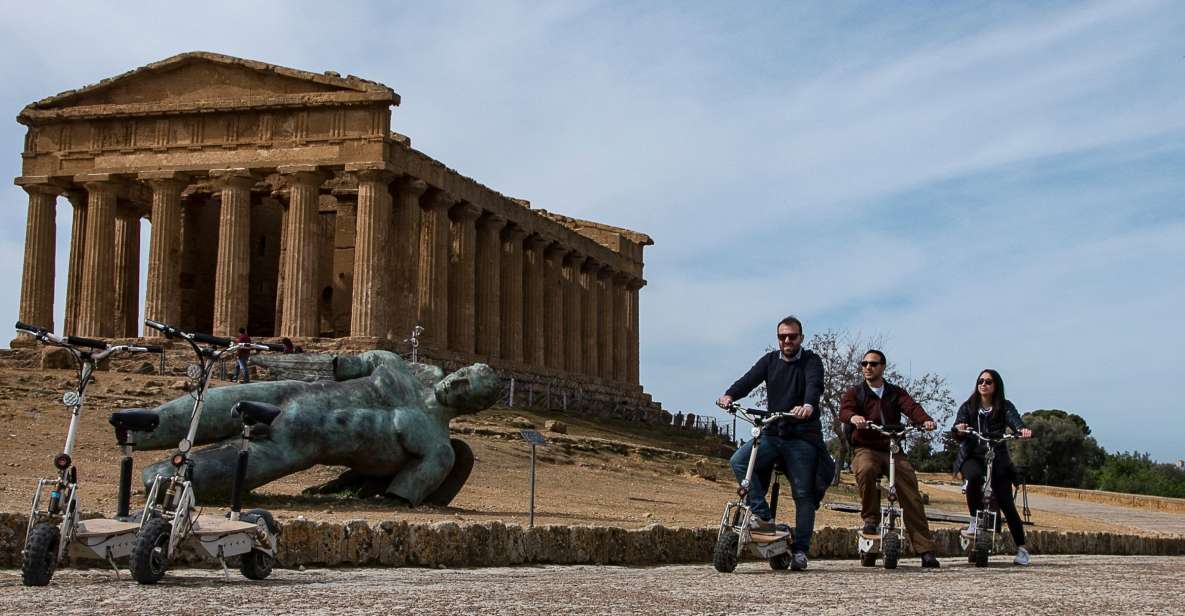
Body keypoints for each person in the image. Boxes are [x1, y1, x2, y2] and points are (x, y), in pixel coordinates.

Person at [715, 315, 835, 571]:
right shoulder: (770, 361)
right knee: (739, 461)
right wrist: (729, 395)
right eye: (782, 336)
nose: (787, 340)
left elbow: (815, 386)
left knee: (803, 493)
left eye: (792, 336)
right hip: (772, 432)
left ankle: (801, 551)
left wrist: (807, 405)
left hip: (801, 436)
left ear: (801, 338)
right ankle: (764, 517)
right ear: (778, 339)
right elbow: (749, 380)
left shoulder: (811, 361)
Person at [839, 349, 941, 568]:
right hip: (865, 447)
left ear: (882, 367)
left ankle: (925, 549)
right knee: (866, 469)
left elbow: (911, 408)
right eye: (864, 363)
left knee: (909, 486)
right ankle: (870, 520)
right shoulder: (855, 392)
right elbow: (845, 411)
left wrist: (925, 421)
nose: (868, 367)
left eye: (873, 364)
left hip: (892, 447)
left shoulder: (895, 392)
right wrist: (854, 417)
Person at [952, 369, 1034, 566]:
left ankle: (1022, 548)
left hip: (998, 458)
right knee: (972, 479)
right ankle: (973, 520)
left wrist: (1021, 430)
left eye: (988, 382)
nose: (984, 384)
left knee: (1007, 503)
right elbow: (957, 429)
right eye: (980, 381)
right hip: (973, 456)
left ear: (996, 385)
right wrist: (960, 429)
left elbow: (1015, 421)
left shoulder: (1004, 406)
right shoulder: (968, 407)